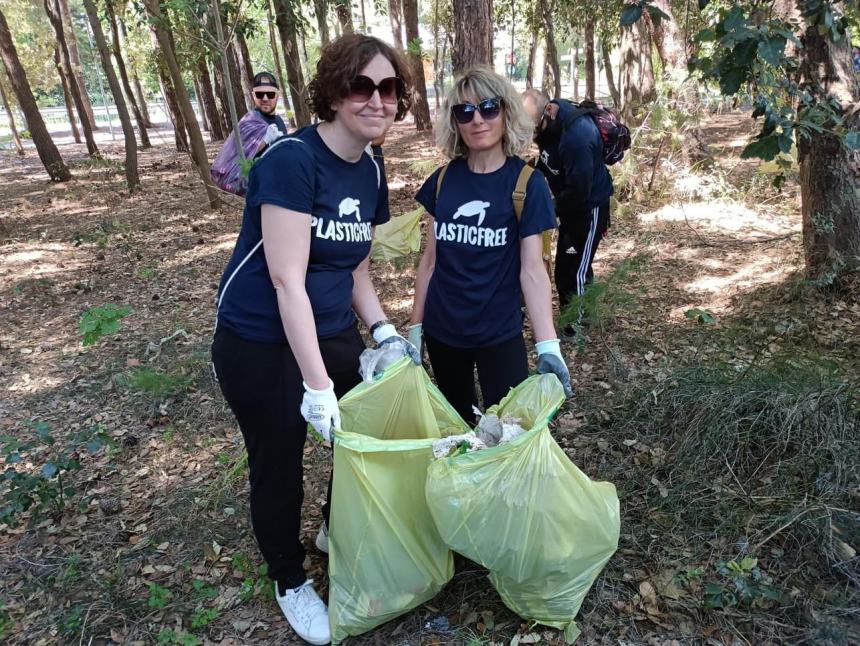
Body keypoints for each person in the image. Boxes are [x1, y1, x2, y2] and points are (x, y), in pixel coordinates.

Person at [211, 34, 419, 645]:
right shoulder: (290, 161)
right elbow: (285, 278)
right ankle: (288, 578)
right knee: (280, 459)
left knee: (360, 436)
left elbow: (354, 266)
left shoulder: (372, 166)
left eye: (389, 89)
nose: (377, 101)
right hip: (258, 336)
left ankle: (333, 527)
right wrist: (319, 384)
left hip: (329, 327)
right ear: (332, 91)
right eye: (363, 86)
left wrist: (380, 329)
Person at [408, 67, 573, 425]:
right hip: (442, 332)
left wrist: (548, 344)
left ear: (506, 113)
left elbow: (532, 269)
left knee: (508, 430)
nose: (477, 120)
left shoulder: (528, 184)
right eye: (464, 112)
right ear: (455, 122)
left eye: (488, 108)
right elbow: (429, 263)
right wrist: (415, 329)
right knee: (457, 428)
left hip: (499, 333)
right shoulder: (443, 181)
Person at [522, 88, 614, 338]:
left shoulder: (578, 139)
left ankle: (577, 325)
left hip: (587, 208)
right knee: (567, 264)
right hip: (568, 203)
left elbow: (579, 192)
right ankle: (575, 314)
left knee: (574, 268)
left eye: (534, 128)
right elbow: (547, 161)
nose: (533, 135)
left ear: (549, 110)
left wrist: (548, 208)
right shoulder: (550, 124)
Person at [210, 72, 289, 195]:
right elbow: (237, 158)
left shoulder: (279, 122)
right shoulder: (250, 121)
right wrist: (264, 140)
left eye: (270, 94)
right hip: (256, 189)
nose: (265, 98)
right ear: (253, 96)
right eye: (260, 94)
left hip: (279, 187)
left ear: (277, 95)